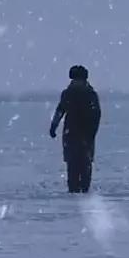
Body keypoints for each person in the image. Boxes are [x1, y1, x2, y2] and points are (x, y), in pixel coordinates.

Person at [49, 65, 102, 193]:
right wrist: (53, 126)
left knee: (78, 166)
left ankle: (78, 191)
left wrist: (54, 126)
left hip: (76, 134)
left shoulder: (72, 93)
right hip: (79, 135)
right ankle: (79, 191)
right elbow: (96, 115)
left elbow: (60, 111)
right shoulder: (87, 93)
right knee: (79, 166)